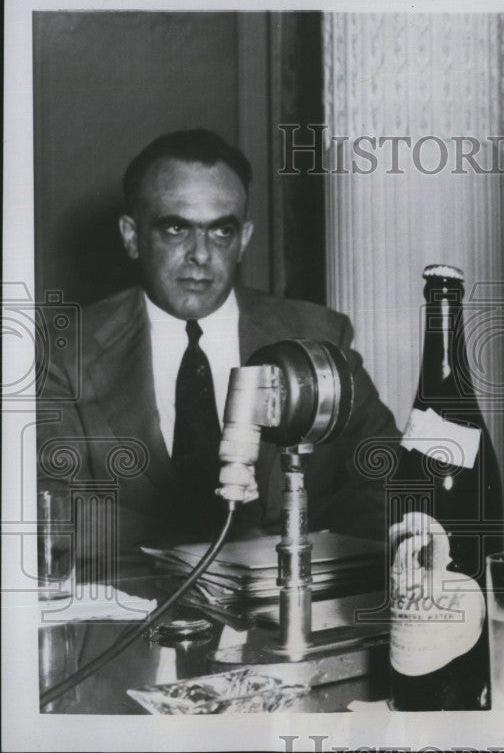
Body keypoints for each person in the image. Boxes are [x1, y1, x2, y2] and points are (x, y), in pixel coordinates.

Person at [36, 129, 399, 570]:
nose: (201, 255)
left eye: (221, 231)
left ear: (244, 238)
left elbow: (385, 474)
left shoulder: (318, 334)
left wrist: (318, 561)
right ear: (131, 236)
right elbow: (50, 507)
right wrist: (204, 543)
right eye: (175, 228)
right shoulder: (64, 351)